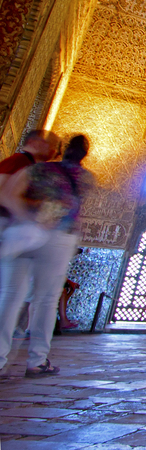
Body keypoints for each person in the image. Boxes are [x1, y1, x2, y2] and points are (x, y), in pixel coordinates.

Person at [0, 134, 91, 377]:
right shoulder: (84, 178)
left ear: (61, 151)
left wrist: (28, 219)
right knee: (47, 301)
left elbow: (7, 193)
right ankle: (37, 360)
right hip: (59, 238)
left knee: (9, 296)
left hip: (25, 234)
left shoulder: (37, 169)